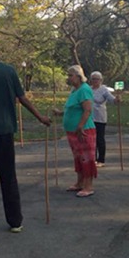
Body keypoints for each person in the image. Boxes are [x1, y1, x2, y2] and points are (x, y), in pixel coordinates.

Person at [0, 37, 51, 236]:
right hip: (6, 130)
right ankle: (15, 221)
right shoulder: (10, 71)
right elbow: (22, 98)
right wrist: (40, 117)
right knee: (9, 175)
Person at [54, 66, 97, 197]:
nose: (68, 78)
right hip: (72, 130)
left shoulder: (84, 90)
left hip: (83, 130)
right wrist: (60, 113)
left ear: (78, 76)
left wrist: (80, 126)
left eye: (71, 75)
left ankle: (88, 186)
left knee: (86, 158)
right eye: (68, 75)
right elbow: (73, 109)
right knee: (78, 157)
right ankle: (79, 182)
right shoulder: (74, 90)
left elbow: (87, 110)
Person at [90, 71, 121, 167]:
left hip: (100, 117)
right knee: (91, 139)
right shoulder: (88, 89)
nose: (95, 81)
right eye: (93, 79)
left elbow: (112, 100)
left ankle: (101, 160)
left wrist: (117, 99)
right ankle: (92, 159)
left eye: (97, 79)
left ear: (101, 80)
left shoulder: (104, 90)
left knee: (100, 139)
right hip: (89, 117)